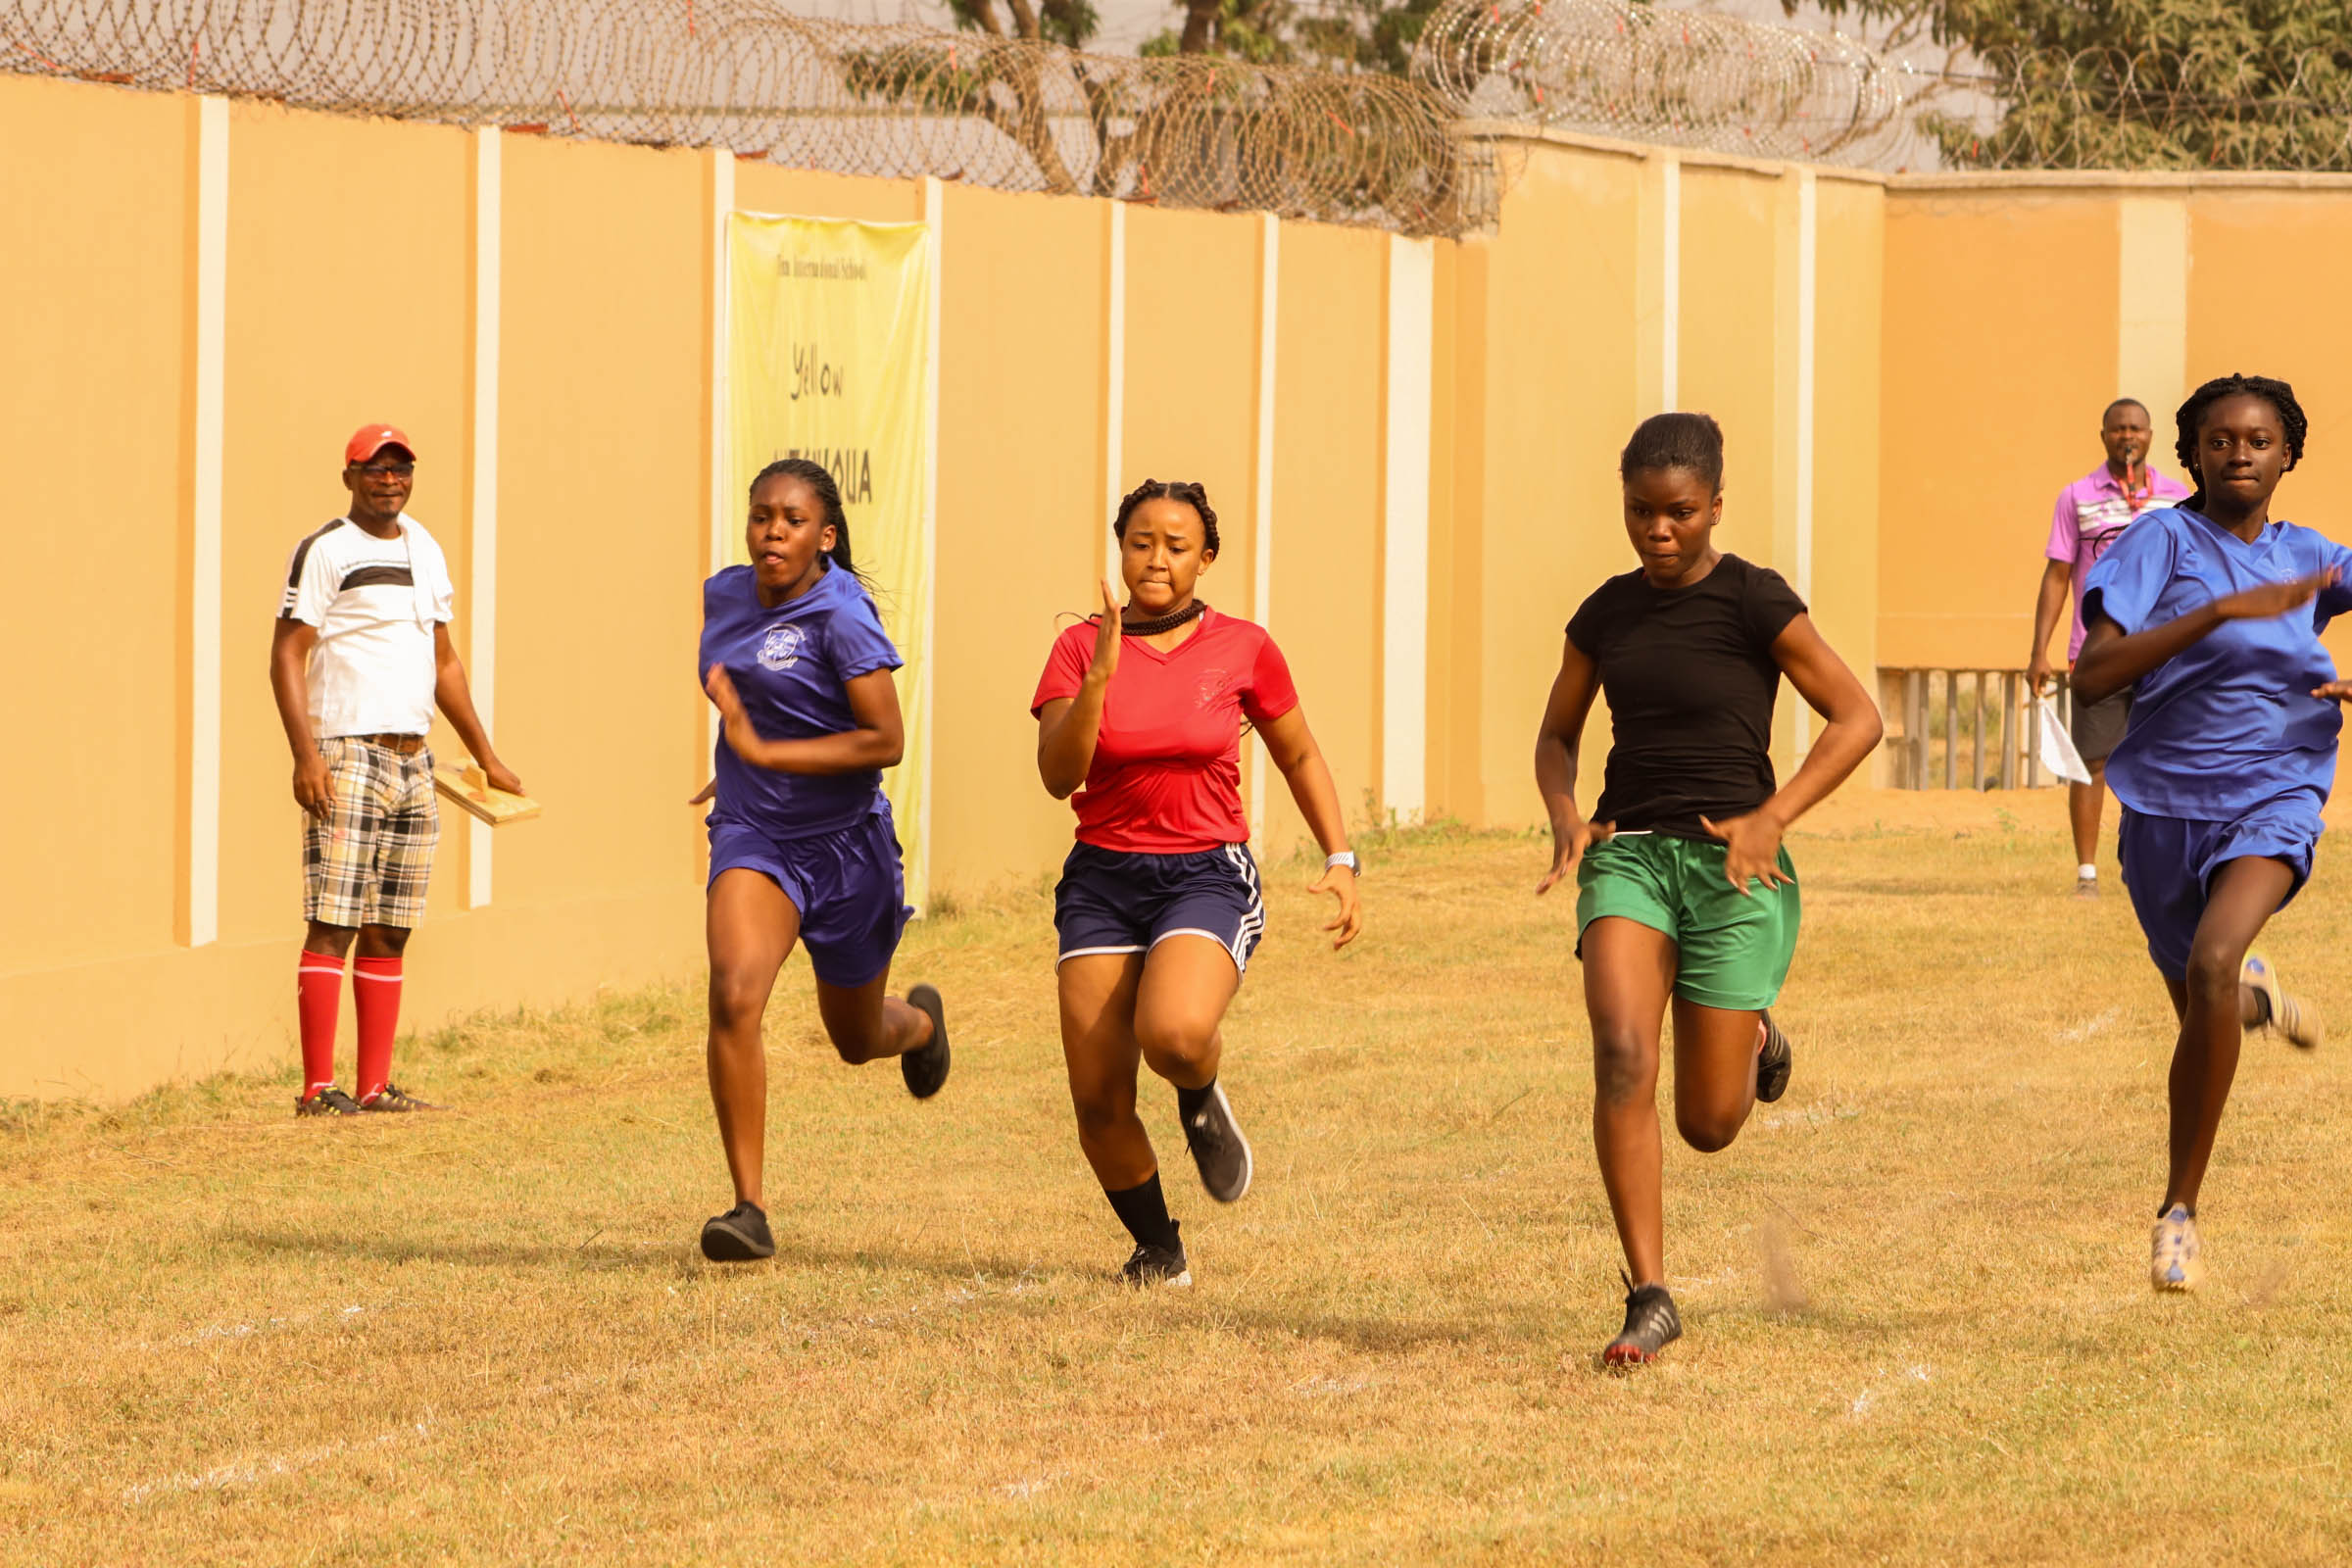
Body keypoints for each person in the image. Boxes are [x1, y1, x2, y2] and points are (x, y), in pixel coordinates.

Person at [1533, 413, 1883, 1368]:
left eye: (1679, 513)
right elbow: (1557, 732)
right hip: (1632, 855)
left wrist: (1777, 815)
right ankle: (1650, 1295)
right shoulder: (1606, 612)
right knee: (1620, 1053)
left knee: (1710, 1123)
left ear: (1715, 506)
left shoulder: (1753, 600)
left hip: (1735, 864)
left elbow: (1857, 717)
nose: (1658, 531)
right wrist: (1565, 808)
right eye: (1640, 512)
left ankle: (1758, 1032)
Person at [1031, 478, 1362, 1289]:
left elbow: (1298, 754)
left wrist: (1341, 856)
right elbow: (1055, 774)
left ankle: (1200, 1089)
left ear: (1206, 559)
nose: (1156, 559)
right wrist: (1103, 672)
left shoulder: (1243, 647)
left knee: (1173, 1033)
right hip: (1103, 878)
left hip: (1204, 869)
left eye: (1177, 546)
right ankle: (1159, 1249)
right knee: (1098, 1101)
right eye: (1140, 542)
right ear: (1120, 550)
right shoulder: (1079, 648)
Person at [2070, 373, 2335, 1294]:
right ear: (2191, 456)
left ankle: (2179, 1210)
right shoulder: (2158, 542)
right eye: (2219, 441)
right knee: (2202, 994)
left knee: (2214, 963)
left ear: (2288, 453)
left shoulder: (2314, 558)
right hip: (2164, 805)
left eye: (2259, 441)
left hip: (2277, 788)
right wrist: (2215, 613)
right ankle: (2248, 1001)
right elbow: (2095, 676)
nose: (2240, 455)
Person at [694, 458, 950, 1263]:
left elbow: (887, 741)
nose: (773, 531)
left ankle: (921, 1027)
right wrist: (738, 763)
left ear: (824, 536)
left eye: (793, 520)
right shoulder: (723, 593)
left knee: (855, 1037)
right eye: (761, 515)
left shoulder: (843, 616)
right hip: (754, 835)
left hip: (847, 851)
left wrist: (768, 751)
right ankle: (749, 1209)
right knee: (735, 995)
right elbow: (755, 697)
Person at [269, 423, 522, 1116]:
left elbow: (444, 662)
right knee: (334, 919)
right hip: (346, 753)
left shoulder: (426, 546)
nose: (389, 479)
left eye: (400, 467)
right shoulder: (327, 550)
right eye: (374, 468)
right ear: (349, 475)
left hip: (415, 759)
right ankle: (319, 1089)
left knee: (391, 925)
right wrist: (305, 754)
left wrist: (486, 754)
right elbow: (287, 655)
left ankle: (375, 1086)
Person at [2028, 399, 2191, 895]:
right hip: (2095, 651)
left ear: (2150, 436)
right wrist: (2040, 650)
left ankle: (2165, 868)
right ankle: (2087, 874)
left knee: (2169, 759)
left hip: (2163, 654)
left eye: (2136, 429)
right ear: (2103, 435)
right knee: (2093, 761)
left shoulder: (2177, 496)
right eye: (2119, 429)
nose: (2128, 437)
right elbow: (2057, 575)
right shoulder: (2076, 497)